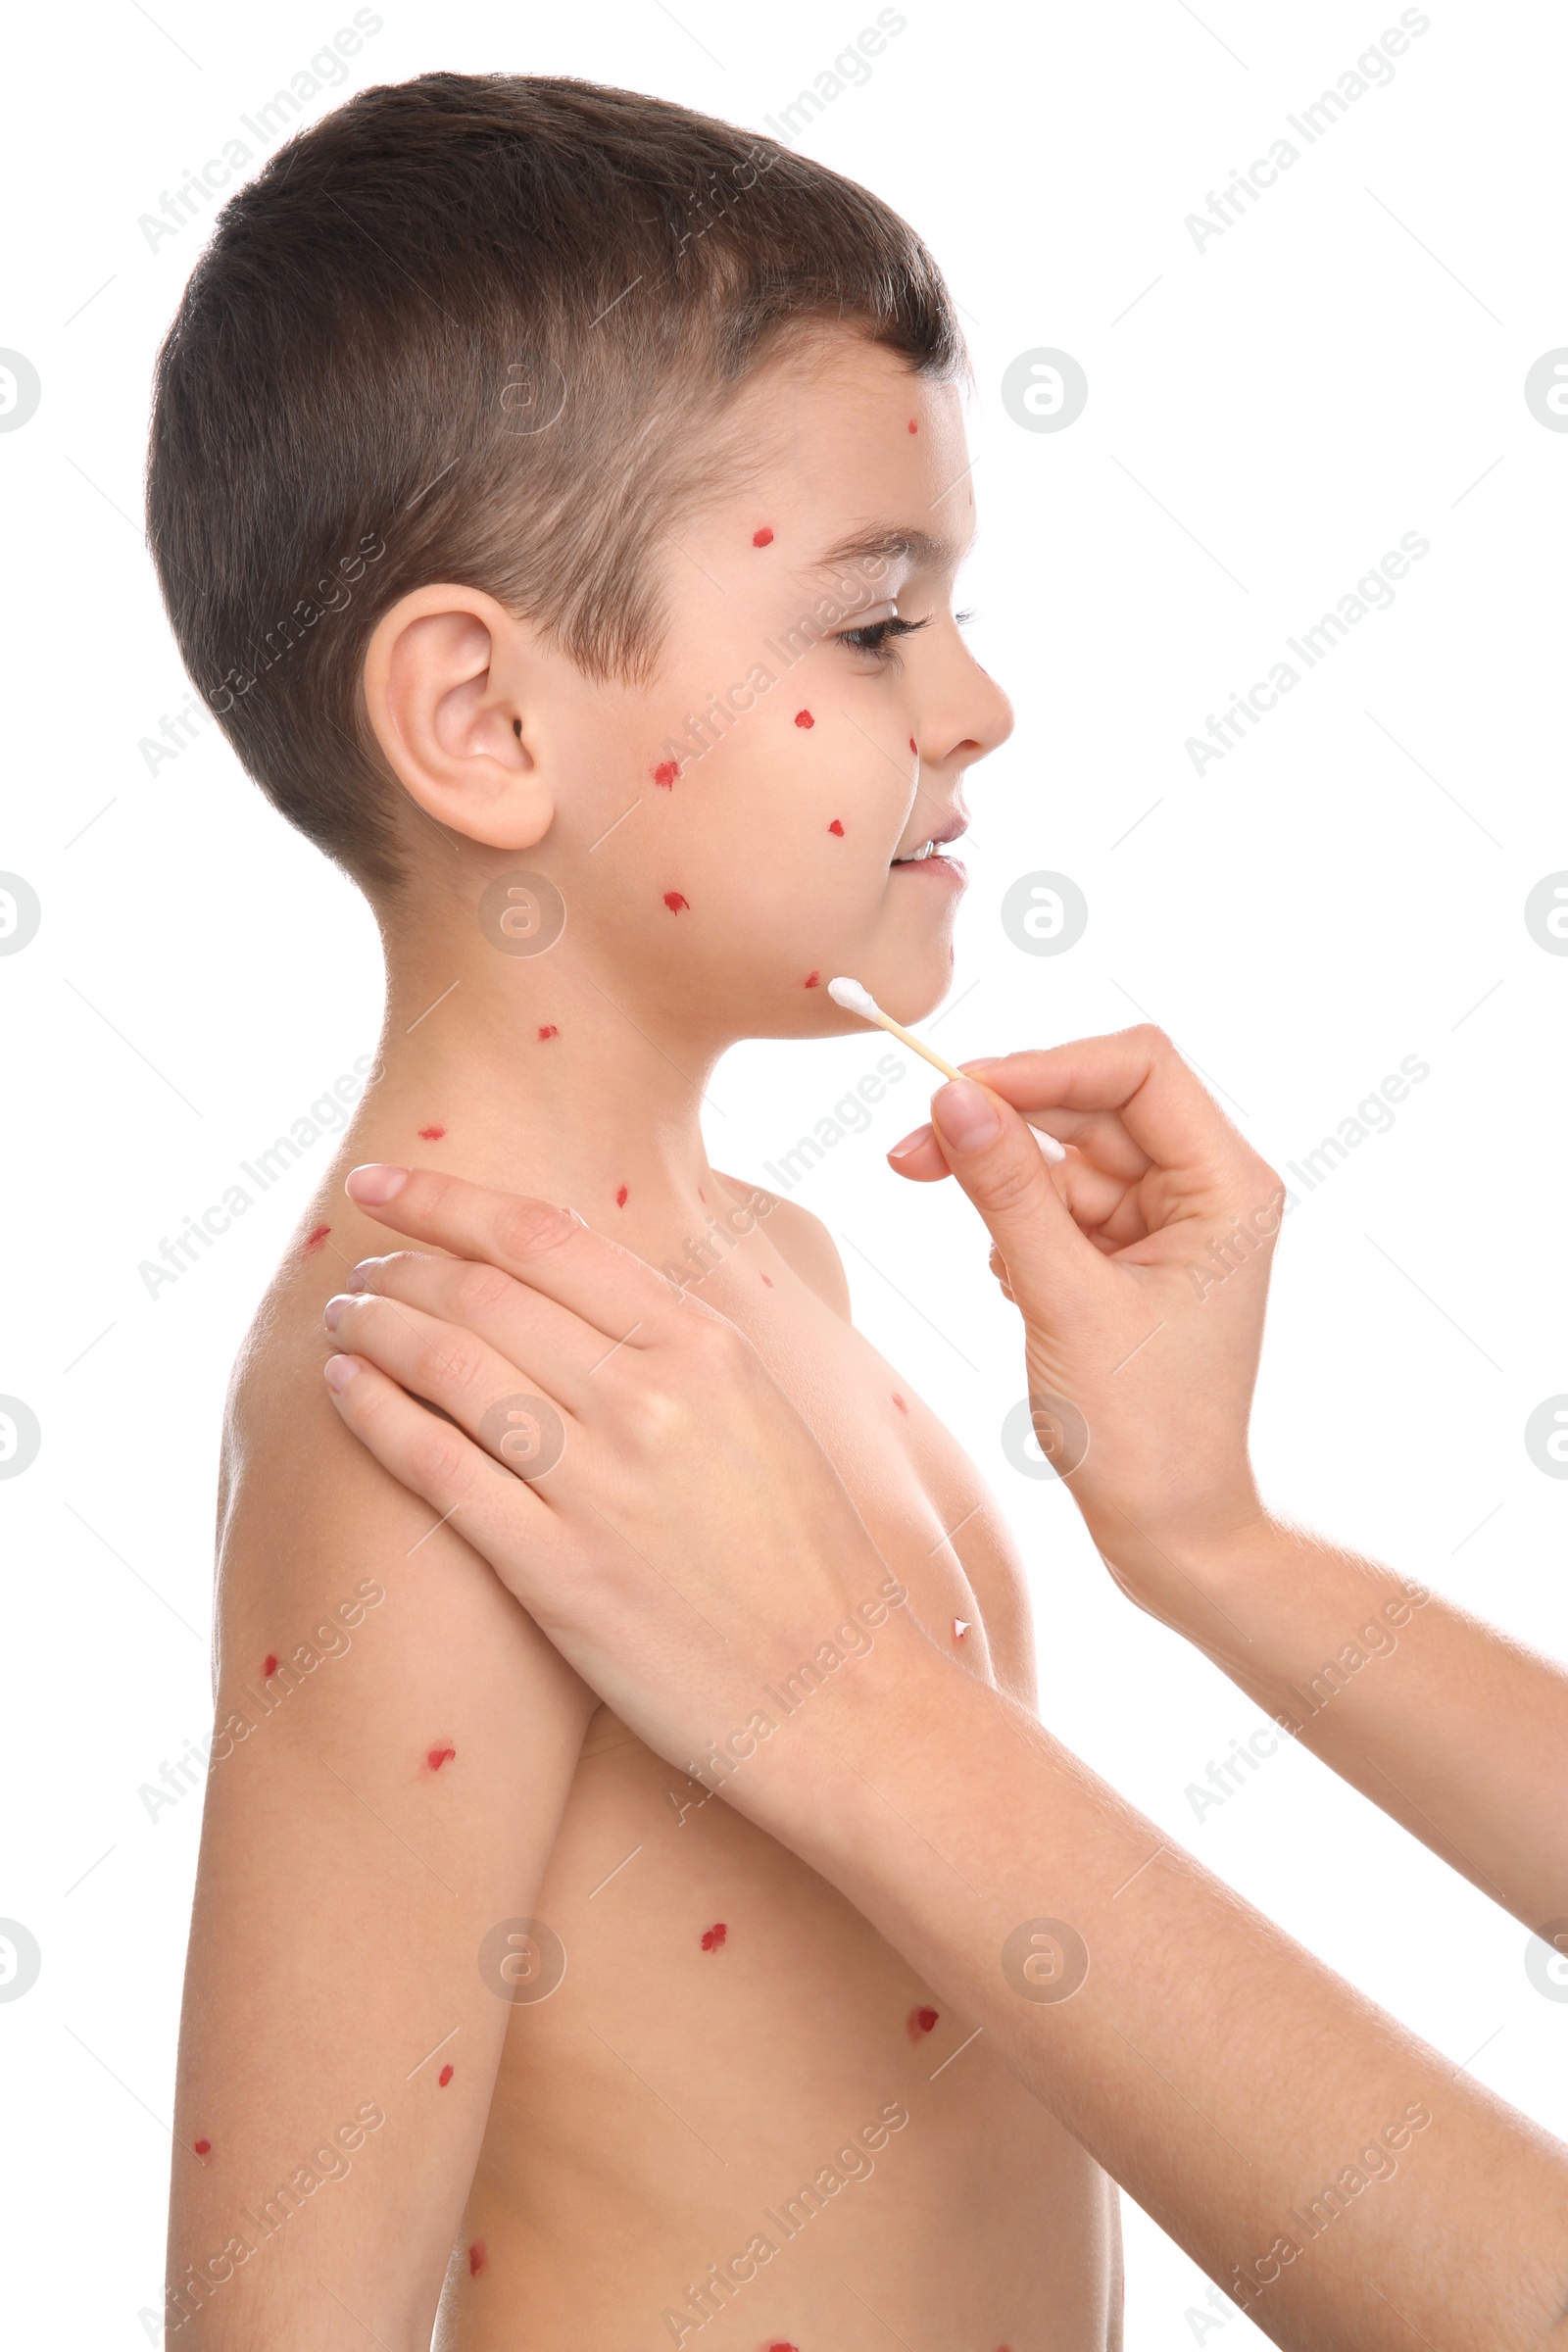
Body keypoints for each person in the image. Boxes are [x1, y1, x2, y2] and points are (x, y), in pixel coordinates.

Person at [151, 71, 1127, 2352]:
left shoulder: (763, 1265)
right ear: (483, 721)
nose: (974, 704)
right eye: (873, 625)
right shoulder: (440, 1403)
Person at [319, 1026, 1568, 2350]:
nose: (963, 802)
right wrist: (1211, 1535)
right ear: (485, 794)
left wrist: (862, 1712)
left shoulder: (712, 1294)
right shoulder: (406, 1377)